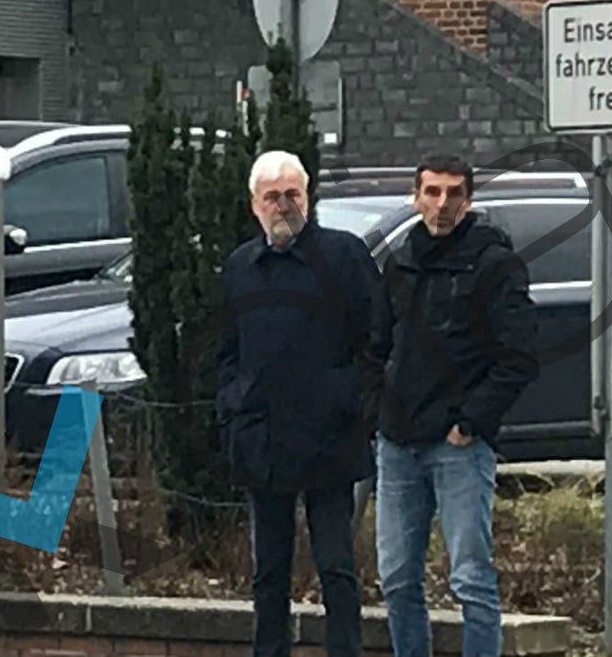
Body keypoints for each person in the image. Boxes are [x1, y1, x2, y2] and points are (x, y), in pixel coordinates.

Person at [371, 151, 540, 657]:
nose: (442, 204)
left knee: (470, 579)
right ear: (415, 195)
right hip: (397, 444)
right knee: (397, 579)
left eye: (453, 193)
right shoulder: (398, 259)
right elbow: (377, 344)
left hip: (458, 449)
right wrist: (375, 412)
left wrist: (470, 422)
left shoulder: (495, 263)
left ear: (469, 199)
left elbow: (518, 357)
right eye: (432, 192)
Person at [216, 149, 382, 657]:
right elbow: (225, 349)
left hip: (330, 438)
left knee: (336, 567)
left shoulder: (345, 256)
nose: (283, 206)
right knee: (268, 571)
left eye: (293, 195)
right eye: (273, 197)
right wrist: (234, 405)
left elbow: (376, 340)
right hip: (262, 440)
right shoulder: (241, 267)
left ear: (307, 198)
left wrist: (350, 401)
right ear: (254, 204)